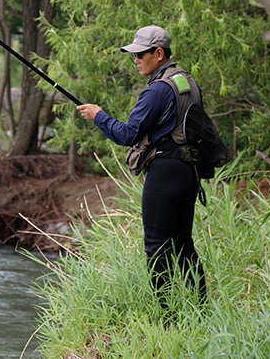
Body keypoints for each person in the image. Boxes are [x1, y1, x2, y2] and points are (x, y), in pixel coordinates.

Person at [77, 25, 206, 308]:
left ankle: (167, 316)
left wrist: (99, 116)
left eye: (140, 55)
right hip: (188, 173)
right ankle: (201, 309)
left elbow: (127, 134)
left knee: (156, 247)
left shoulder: (158, 90)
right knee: (183, 245)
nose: (135, 60)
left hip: (164, 174)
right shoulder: (186, 81)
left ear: (158, 54)